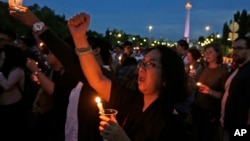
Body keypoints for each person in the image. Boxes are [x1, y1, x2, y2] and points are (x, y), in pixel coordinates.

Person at [67, 12, 190, 141]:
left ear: (167, 77)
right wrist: (79, 37)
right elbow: (98, 79)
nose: (141, 68)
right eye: (142, 63)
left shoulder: (173, 125)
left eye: (151, 64)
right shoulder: (132, 100)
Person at [9, 6, 117, 141]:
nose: (78, 50)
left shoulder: (107, 81)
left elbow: (67, 58)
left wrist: (37, 24)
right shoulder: (77, 76)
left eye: (83, 46)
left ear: (95, 51)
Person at [191, 43, 229, 141]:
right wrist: (192, 79)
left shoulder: (223, 72)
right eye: (206, 52)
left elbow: (225, 95)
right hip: (197, 107)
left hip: (210, 111)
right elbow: (196, 84)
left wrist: (210, 91)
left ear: (218, 53)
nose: (207, 55)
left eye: (210, 52)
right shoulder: (204, 68)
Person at [220, 36, 250, 141]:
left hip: (240, 128)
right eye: (233, 48)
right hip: (228, 123)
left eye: (239, 48)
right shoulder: (237, 69)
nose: (235, 51)